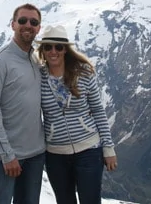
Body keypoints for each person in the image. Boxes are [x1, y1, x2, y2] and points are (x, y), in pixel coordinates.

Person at [36, 24, 117, 204]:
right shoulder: (37, 76)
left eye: (58, 47)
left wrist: (108, 148)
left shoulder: (84, 73)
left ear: (65, 49)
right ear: (42, 50)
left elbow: (97, 111)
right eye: (48, 47)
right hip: (55, 155)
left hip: (88, 151)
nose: (53, 51)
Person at [0, 3, 46, 204]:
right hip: (5, 157)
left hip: (34, 155)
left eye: (33, 22)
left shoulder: (36, 60)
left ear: (38, 28)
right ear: (13, 24)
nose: (28, 25)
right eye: (22, 20)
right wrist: (6, 154)